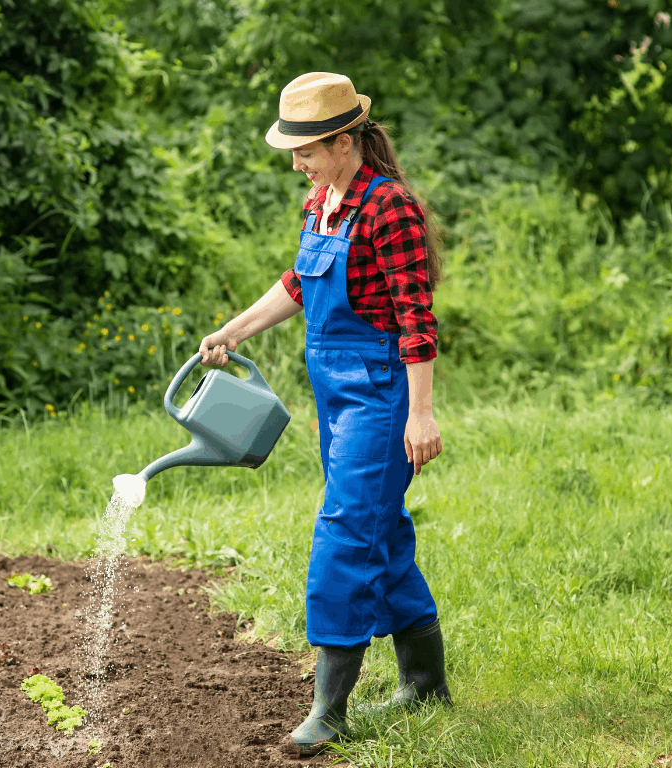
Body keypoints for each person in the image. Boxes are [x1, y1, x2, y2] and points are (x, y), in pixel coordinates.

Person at [197, 72, 451, 756]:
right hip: (337, 400)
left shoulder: (388, 206)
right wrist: (234, 330)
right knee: (381, 529)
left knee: (343, 533)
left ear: (344, 142)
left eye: (306, 148)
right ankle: (425, 683)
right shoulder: (322, 201)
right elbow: (297, 283)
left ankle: (329, 710)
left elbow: (415, 318)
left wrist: (420, 415)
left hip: (380, 393)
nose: (296, 162)